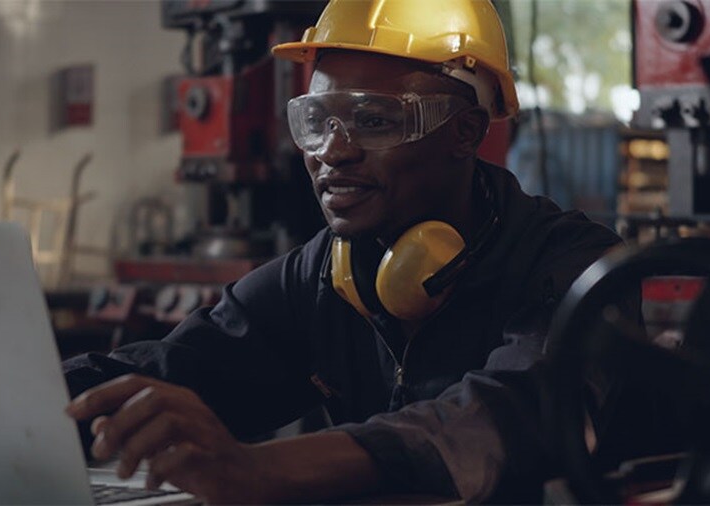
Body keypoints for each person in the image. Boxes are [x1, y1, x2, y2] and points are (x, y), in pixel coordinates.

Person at [64, 0, 622, 502]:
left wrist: (260, 470)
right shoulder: (325, 273)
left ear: (465, 133)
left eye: (374, 121)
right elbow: (179, 368)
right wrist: (26, 402)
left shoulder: (573, 264)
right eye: (317, 120)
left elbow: (510, 417)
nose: (332, 151)